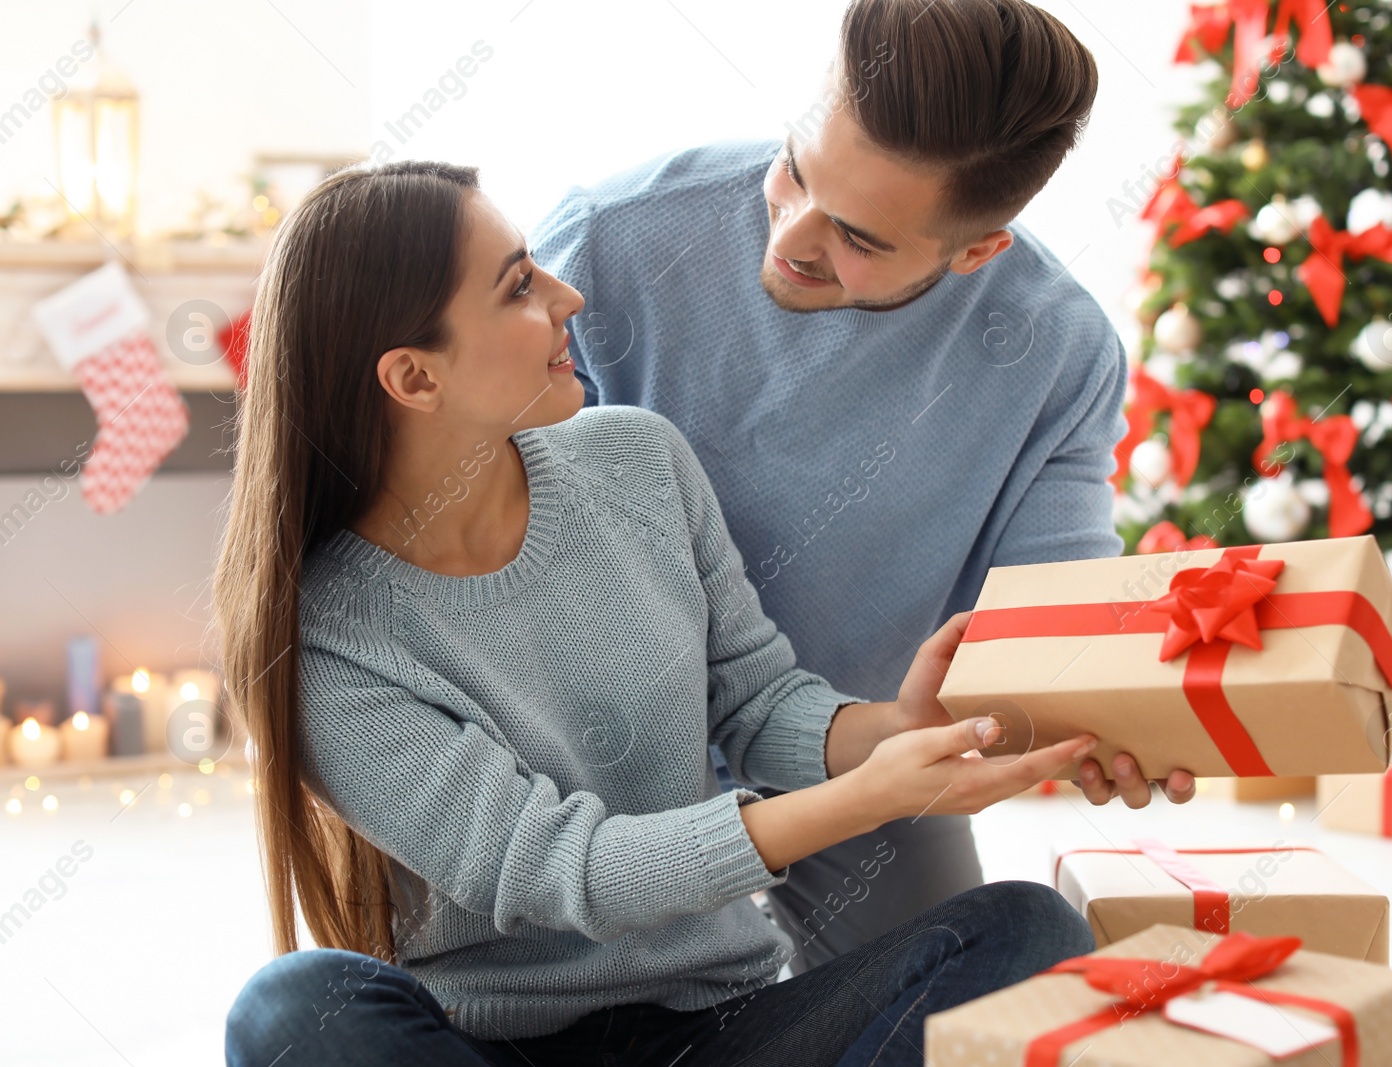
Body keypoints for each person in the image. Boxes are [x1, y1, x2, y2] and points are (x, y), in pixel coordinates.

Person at [215, 159, 1101, 1067]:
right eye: (520, 286)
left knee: (1023, 929)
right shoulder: (329, 640)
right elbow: (572, 870)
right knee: (292, 1008)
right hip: (492, 1048)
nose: (568, 295)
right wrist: (861, 799)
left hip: (719, 1031)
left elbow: (756, 702)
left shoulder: (637, 460)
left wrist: (893, 730)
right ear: (414, 377)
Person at [531, 0, 1197, 973]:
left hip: (859, 753)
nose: (793, 237)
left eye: (857, 237)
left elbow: (1051, 623)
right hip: (596, 754)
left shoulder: (1057, 350)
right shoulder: (605, 240)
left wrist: (1108, 719)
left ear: (975, 252)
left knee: (971, 985)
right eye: (794, 167)